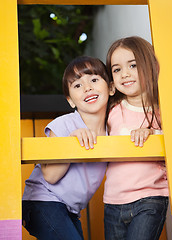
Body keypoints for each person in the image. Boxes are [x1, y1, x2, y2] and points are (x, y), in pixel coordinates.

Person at [22, 56, 114, 240]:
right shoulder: (64, 124)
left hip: (70, 209)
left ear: (111, 88)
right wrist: (70, 143)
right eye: (77, 85)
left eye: (94, 80)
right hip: (42, 201)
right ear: (70, 100)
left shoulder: (113, 129)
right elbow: (51, 176)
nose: (87, 87)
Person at [104, 36, 169, 240]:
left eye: (133, 65)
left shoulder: (163, 112)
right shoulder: (112, 110)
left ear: (150, 66)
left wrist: (151, 132)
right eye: (117, 69)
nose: (125, 74)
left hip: (150, 198)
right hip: (113, 200)